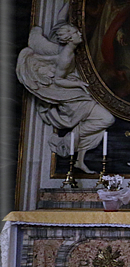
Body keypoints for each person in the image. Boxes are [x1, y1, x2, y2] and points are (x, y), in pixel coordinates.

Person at [16, 21, 115, 174]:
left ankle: (79, 160)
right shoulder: (66, 56)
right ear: (69, 38)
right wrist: (79, 85)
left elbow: (61, 19)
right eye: (76, 33)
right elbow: (58, 80)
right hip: (71, 97)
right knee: (107, 119)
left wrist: (69, 1)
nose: (80, 34)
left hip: (75, 93)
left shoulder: (68, 51)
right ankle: (66, 141)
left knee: (100, 123)